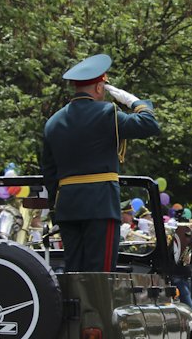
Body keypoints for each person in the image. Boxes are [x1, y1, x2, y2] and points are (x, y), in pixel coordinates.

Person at [40, 53, 160, 272]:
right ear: (98, 88)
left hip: (67, 207)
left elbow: (49, 173)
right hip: (100, 205)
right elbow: (149, 124)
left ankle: (74, 307)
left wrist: (57, 209)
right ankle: (96, 308)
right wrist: (134, 101)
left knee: (74, 270)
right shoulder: (107, 113)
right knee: (100, 274)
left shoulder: (53, 122)